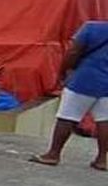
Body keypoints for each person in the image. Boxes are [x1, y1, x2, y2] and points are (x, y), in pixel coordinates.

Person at [31, 20, 108, 170]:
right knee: (104, 120)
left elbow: (73, 52)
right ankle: (102, 159)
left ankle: (53, 154)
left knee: (67, 116)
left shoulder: (92, 28)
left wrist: (64, 70)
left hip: (84, 79)